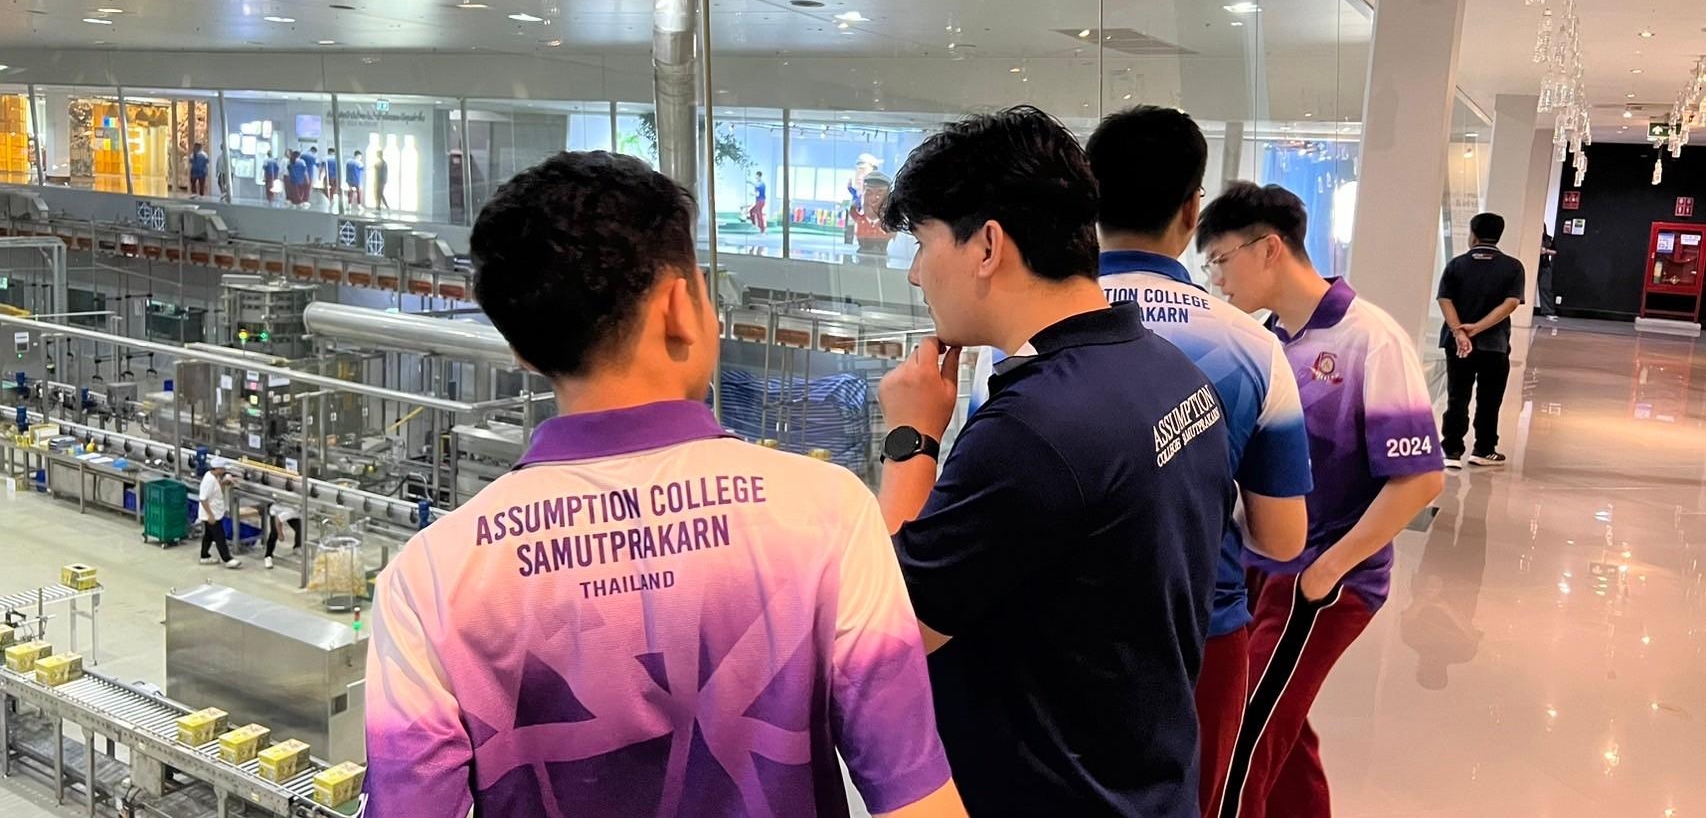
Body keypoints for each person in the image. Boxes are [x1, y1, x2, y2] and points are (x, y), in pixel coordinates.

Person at [364, 150, 963, 818]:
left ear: (523, 352)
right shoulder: (829, 515)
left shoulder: (429, 580)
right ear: (681, 305)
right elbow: (919, 802)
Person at [877, 106, 1235, 817]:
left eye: (922, 243)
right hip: (1145, 780)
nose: (916, 274)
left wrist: (911, 439)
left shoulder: (1034, 427)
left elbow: (893, 626)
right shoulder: (1170, 372)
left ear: (987, 246)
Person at [1086, 106, 1312, 815]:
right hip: (1200, 633)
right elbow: (1283, 539)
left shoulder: (1023, 337)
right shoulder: (1252, 346)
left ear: (1090, 200)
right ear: (1191, 211)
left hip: (1062, 634)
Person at [1195, 183, 1443, 818]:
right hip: (1259, 565)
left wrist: (1327, 571)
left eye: (1220, 259)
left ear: (1268, 249)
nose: (1215, 278)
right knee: (1278, 717)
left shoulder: (1370, 339)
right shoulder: (1264, 340)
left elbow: (1420, 479)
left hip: (1322, 578)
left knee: (1244, 736)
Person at [1437, 212, 1525, 469]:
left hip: (1457, 345)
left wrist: (1459, 332)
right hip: (1494, 345)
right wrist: (1478, 328)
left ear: (1473, 235)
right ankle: (1484, 449)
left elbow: (1444, 299)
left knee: (1457, 396)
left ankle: (1452, 450)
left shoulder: (1456, 265)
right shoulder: (1513, 267)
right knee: (1489, 398)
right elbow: (1511, 303)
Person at [197, 459, 242, 569]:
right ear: (217, 469)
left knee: (208, 536)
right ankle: (227, 559)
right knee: (219, 537)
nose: (224, 471)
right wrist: (210, 515)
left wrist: (224, 483)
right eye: (222, 469)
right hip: (211, 514)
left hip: (215, 512)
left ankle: (204, 556)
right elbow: (203, 499)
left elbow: (217, 490)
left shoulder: (215, 477)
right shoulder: (209, 480)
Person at [264, 500, 302, 570]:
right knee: (274, 533)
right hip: (277, 511)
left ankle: (297, 546)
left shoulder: (299, 511)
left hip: (288, 508)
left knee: (301, 528)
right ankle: (268, 556)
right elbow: (277, 520)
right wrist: (280, 534)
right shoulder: (292, 512)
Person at [1537, 223, 1558, 318]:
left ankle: (1548, 311)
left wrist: (1545, 251)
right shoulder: (1532, 237)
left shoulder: (1548, 239)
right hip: (1533, 263)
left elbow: (1555, 251)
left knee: (1545, 287)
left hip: (1544, 264)